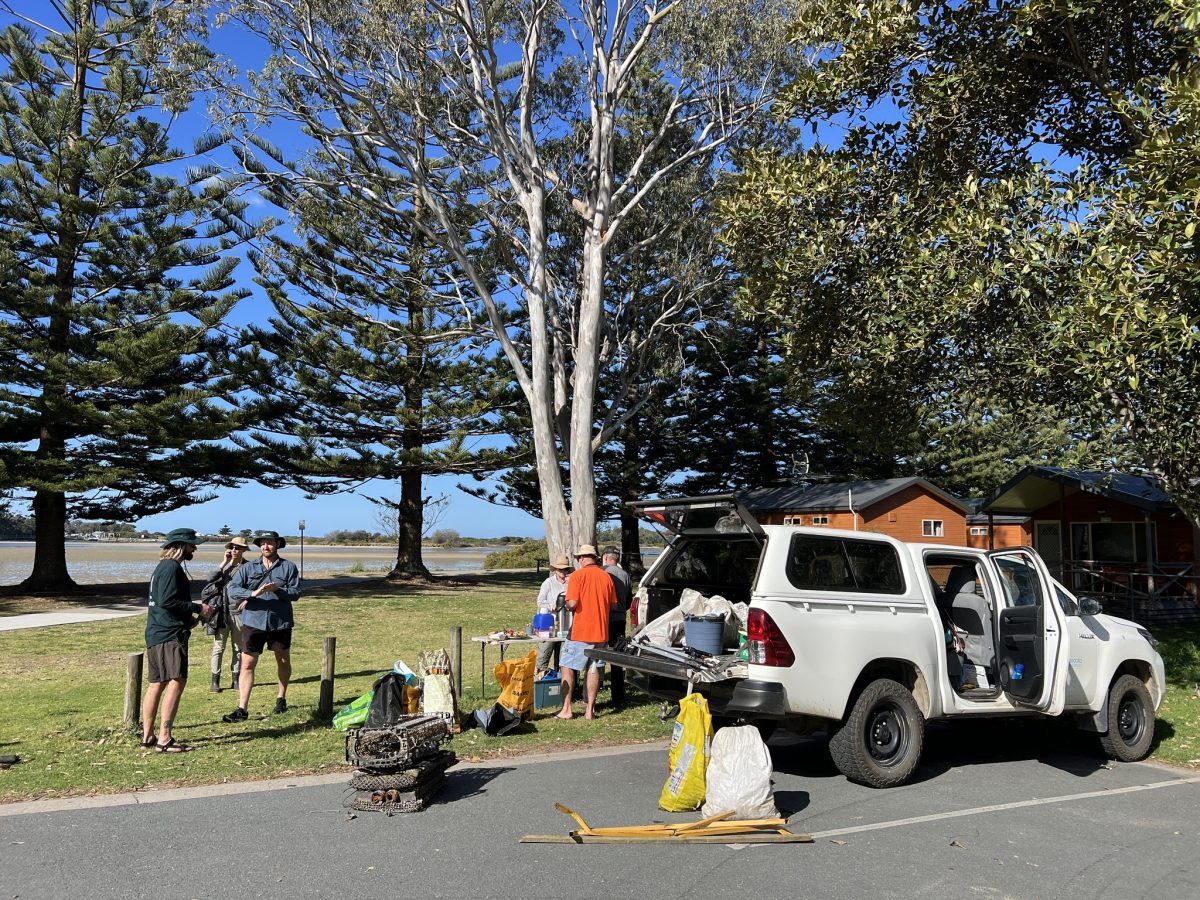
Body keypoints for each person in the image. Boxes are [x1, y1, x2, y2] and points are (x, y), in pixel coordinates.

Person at [142, 527, 211, 753]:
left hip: (158, 631)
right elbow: (168, 601)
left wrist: (191, 619)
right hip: (169, 634)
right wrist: (198, 607)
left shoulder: (163, 567)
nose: (195, 548)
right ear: (182, 545)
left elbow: (167, 603)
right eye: (192, 544)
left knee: (157, 683)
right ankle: (164, 739)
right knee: (176, 680)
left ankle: (148, 736)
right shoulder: (171, 568)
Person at [222, 530, 301, 722]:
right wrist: (252, 593)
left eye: (270, 543)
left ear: (278, 545)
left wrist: (278, 590)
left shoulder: (289, 567)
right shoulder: (248, 568)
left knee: (283, 661)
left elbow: (296, 593)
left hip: (279, 621)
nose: (266, 546)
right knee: (247, 663)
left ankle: (281, 698)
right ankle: (242, 708)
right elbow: (232, 588)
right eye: (263, 543)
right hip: (253, 621)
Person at [557, 543, 617, 721]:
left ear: (581, 558)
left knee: (567, 667)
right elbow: (613, 604)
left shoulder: (577, 576)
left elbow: (573, 603)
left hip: (581, 631)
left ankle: (566, 709)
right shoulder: (606, 577)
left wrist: (567, 605)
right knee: (594, 668)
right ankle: (590, 709)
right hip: (601, 631)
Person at [203, 536, 249, 693]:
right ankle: (214, 680)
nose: (234, 550)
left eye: (238, 548)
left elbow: (255, 587)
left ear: (244, 550)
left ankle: (236, 679)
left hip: (238, 613)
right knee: (218, 648)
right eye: (232, 547)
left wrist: (248, 600)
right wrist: (224, 562)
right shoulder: (224, 568)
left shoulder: (248, 567)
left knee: (238, 647)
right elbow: (210, 579)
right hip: (222, 613)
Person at [602, 546, 633, 706]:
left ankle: (592, 689)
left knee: (598, 653)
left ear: (606, 557)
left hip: (603, 618)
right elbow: (629, 599)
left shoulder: (602, 572)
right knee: (616, 656)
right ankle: (618, 695)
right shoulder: (625, 575)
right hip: (619, 618)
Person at [535, 555, 572, 674]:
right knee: (544, 652)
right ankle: (541, 678)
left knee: (564, 657)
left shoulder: (570, 583)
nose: (563, 572)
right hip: (549, 624)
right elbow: (540, 601)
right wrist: (551, 605)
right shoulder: (548, 582)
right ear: (555, 570)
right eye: (560, 569)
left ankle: (561, 681)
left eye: (565, 569)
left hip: (566, 624)